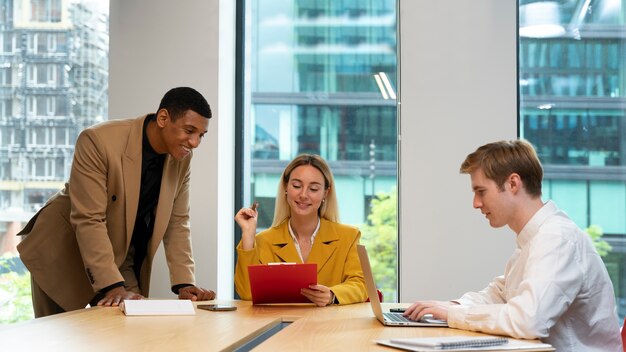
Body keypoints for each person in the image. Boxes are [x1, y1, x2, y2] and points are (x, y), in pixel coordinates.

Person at [403, 140, 622, 351]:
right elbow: (499, 294)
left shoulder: (556, 239)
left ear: (513, 184)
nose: (476, 203)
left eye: (481, 191)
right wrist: (451, 307)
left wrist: (452, 315)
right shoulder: (533, 240)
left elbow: (528, 320)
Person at [17, 87, 216, 318]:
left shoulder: (182, 159)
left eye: (201, 135)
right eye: (189, 130)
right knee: (58, 337)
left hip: (118, 254)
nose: (195, 143)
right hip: (63, 247)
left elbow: (177, 220)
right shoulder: (98, 140)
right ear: (163, 118)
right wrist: (112, 286)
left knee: (135, 328)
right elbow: (88, 218)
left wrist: (184, 283)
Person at [234, 154, 367, 306]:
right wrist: (248, 235)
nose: (303, 195)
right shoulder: (264, 241)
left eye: (314, 188)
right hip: (281, 326)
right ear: (286, 187)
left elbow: (361, 284)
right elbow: (246, 293)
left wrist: (332, 295)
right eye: (296, 186)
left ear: (325, 193)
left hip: (330, 327)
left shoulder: (348, 237)